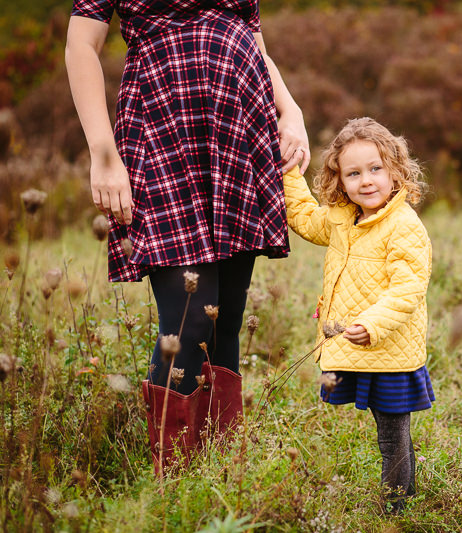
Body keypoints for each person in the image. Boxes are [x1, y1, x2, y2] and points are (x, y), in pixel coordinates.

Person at [64, 0, 309, 474]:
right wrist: (103, 152)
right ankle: (171, 482)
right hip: (161, 127)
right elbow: (80, 46)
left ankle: (218, 476)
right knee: (190, 321)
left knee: (226, 319)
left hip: (240, 126)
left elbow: (250, 35)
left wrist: (290, 109)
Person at [282, 117, 434, 513]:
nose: (366, 180)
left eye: (375, 169)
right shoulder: (341, 218)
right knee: (387, 430)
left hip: (390, 348)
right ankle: (402, 499)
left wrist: (372, 324)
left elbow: (408, 288)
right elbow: (302, 219)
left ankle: (397, 509)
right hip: (361, 347)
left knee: (393, 433)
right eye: (353, 173)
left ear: (396, 171)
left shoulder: (404, 226)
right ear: (340, 180)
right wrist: (289, 173)